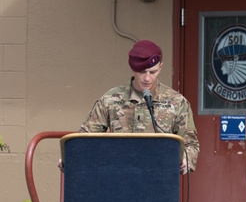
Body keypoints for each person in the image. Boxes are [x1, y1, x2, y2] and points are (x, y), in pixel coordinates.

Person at [79, 40, 199, 173]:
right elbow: (85, 138)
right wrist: (71, 157)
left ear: (160, 68)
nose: (147, 78)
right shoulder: (111, 99)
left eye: (152, 72)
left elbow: (190, 143)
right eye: (142, 72)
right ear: (133, 68)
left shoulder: (176, 102)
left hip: (160, 176)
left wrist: (187, 160)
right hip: (118, 175)